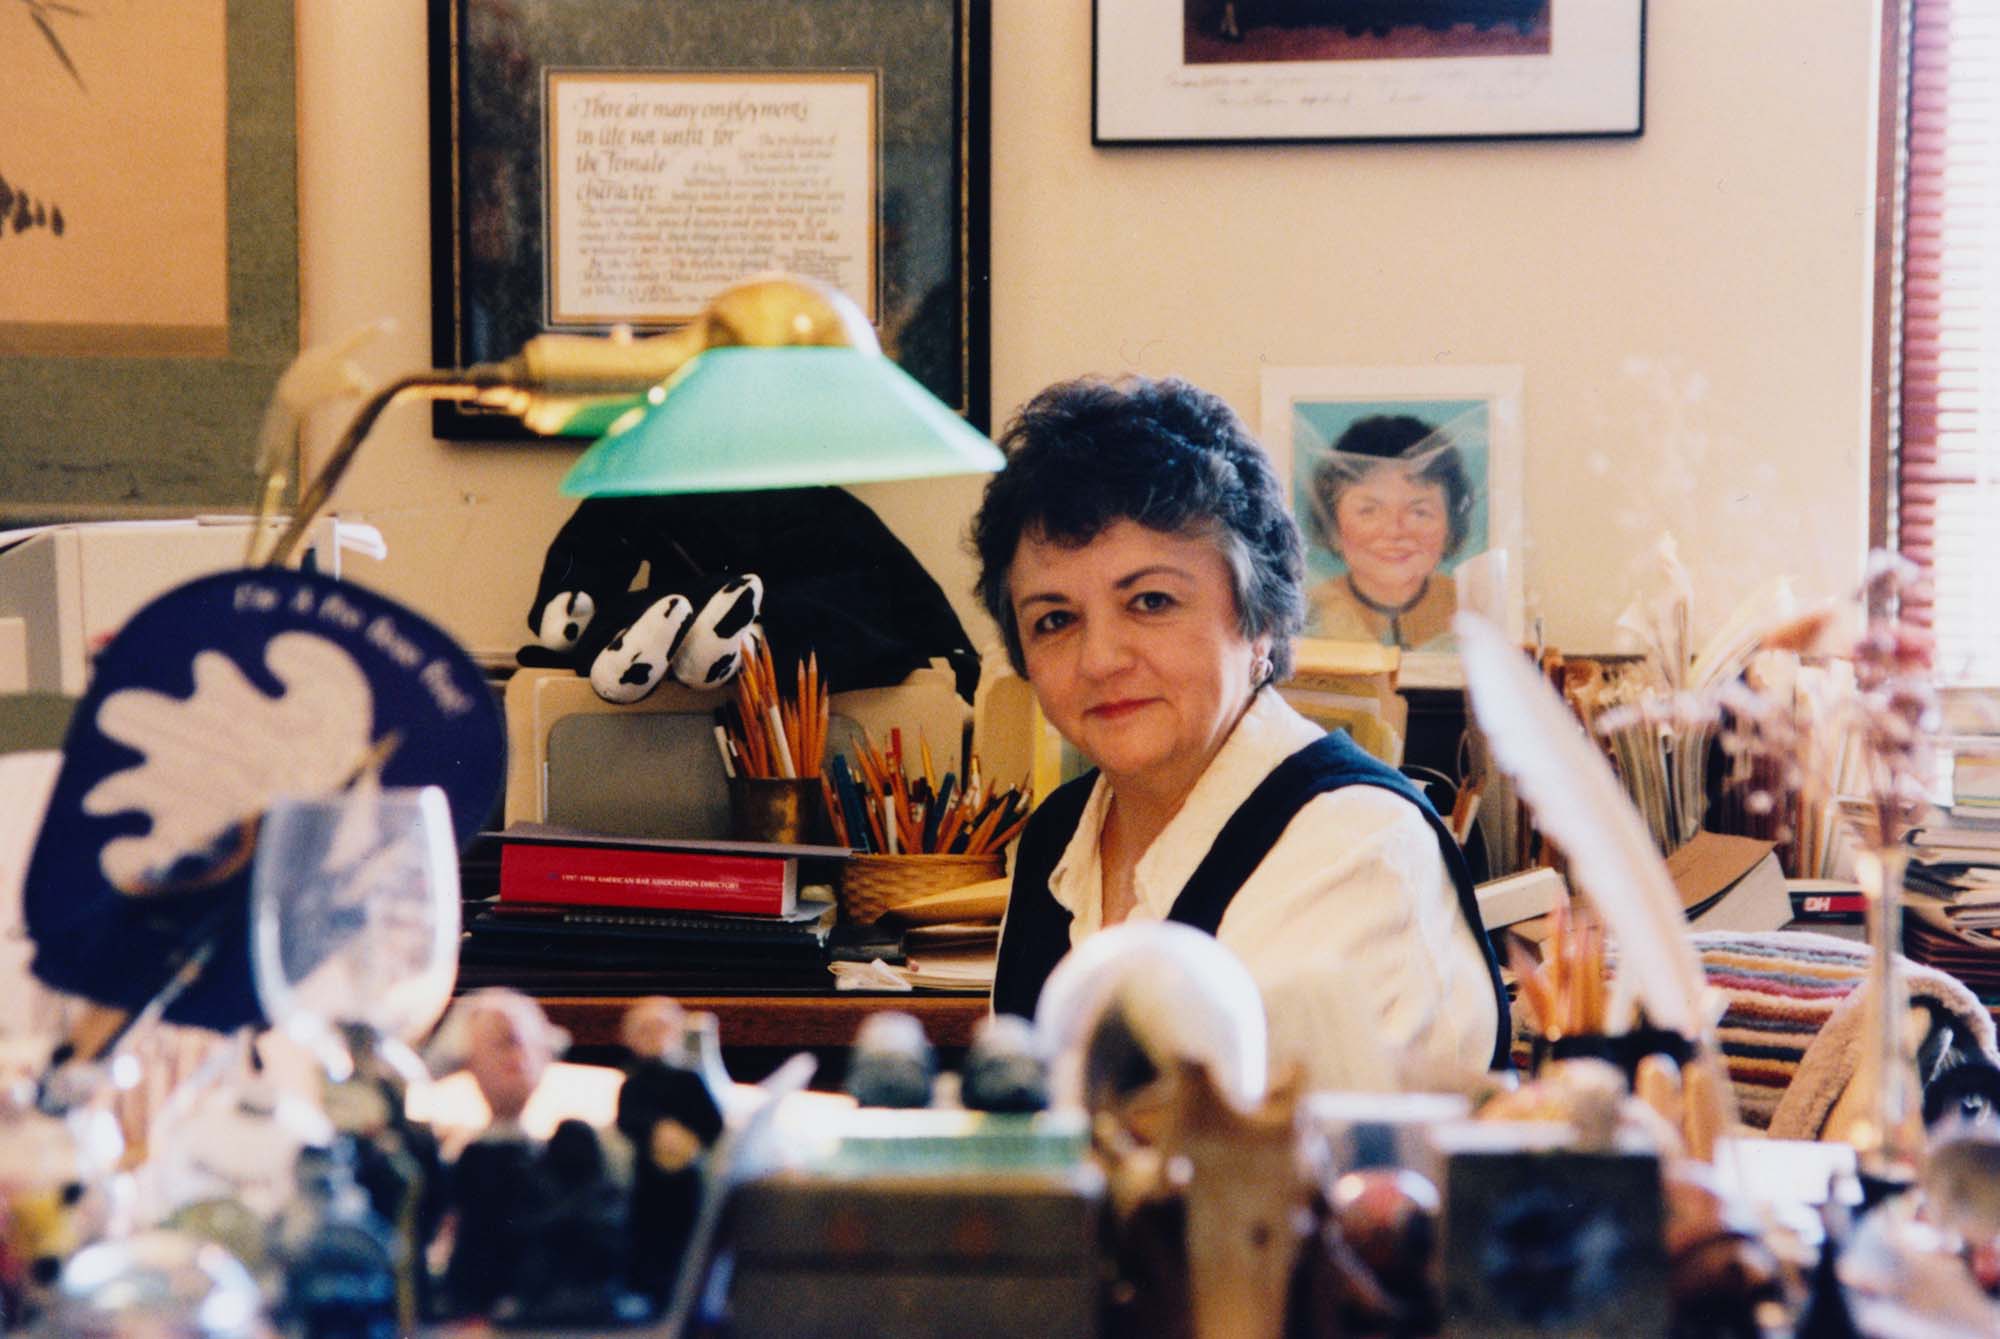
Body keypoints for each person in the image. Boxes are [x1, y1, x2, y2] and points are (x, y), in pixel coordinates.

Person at [977, 376, 1507, 1092]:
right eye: (1055, 619)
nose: (1099, 659)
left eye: (1150, 600)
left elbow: (1283, 1181)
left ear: (1258, 618)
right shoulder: (1055, 842)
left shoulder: (1354, 849)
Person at [1305, 414, 1477, 651]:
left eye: (1419, 512)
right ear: (1332, 521)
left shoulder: (1472, 612)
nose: (1394, 531)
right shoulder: (1305, 616)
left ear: (1451, 523)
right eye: (1369, 511)